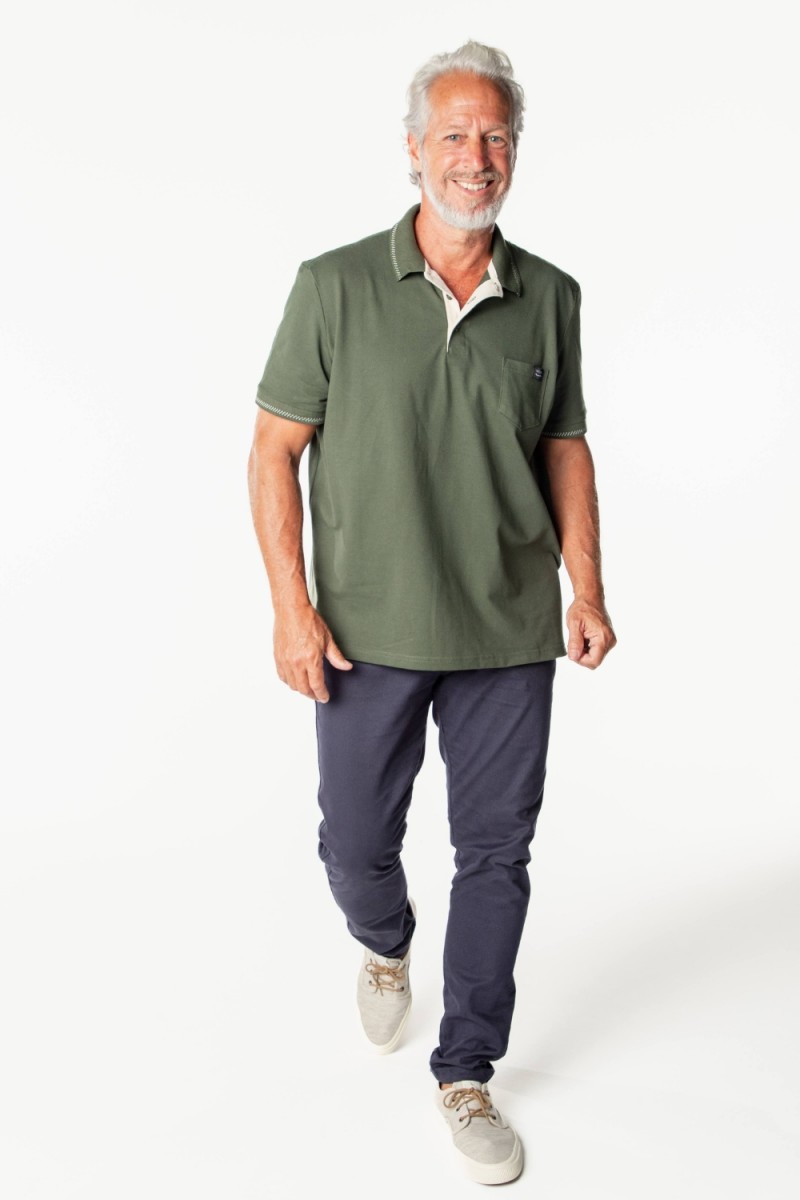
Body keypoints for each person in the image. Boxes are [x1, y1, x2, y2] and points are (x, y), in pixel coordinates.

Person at [248, 40, 616, 1186]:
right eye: (453, 133)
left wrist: (585, 586)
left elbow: (564, 448)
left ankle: (465, 1072)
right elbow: (271, 451)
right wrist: (291, 609)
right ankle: (384, 944)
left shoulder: (549, 297)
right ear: (412, 149)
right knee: (354, 842)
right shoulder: (332, 287)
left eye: (494, 134)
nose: (475, 155)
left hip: (507, 630)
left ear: (515, 150)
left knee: (495, 854)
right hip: (365, 629)